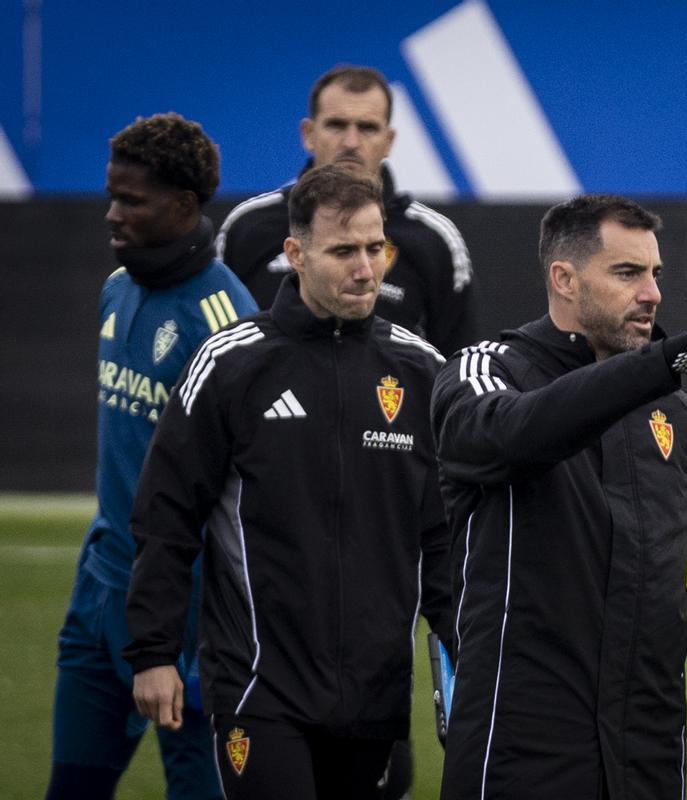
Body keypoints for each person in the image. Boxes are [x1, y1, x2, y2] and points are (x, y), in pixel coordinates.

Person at [430, 194, 687, 800]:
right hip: (523, 745)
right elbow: (511, 435)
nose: (652, 294)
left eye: (655, 274)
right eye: (627, 273)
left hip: (649, 747)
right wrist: (661, 364)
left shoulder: (673, 414)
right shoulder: (487, 370)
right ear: (564, 279)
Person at [122, 166, 454, 800]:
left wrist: (466, 654)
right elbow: (166, 515)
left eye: (375, 249)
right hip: (257, 690)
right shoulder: (230, 363)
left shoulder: (420, 370)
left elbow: (442, 539)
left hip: (375, 698)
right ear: (295, 254)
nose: (366, 269)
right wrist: (155, 652)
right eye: (343, 251)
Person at [46, 113, 257, 800]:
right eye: (113, 195)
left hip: (189, 610)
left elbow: (248, 489)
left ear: (184, 206)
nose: (111, 214)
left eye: (130, 200)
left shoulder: (226, 321)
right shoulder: (117, 287)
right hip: (99, 587)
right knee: (72, 789)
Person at [217, 63, 476, 356]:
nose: (351, 142)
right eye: (336, 125)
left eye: (367, 128)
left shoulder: (433, 239)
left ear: (389, 141)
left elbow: (458, 368)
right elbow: (215, 348)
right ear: (308, 133)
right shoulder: (248, 226)